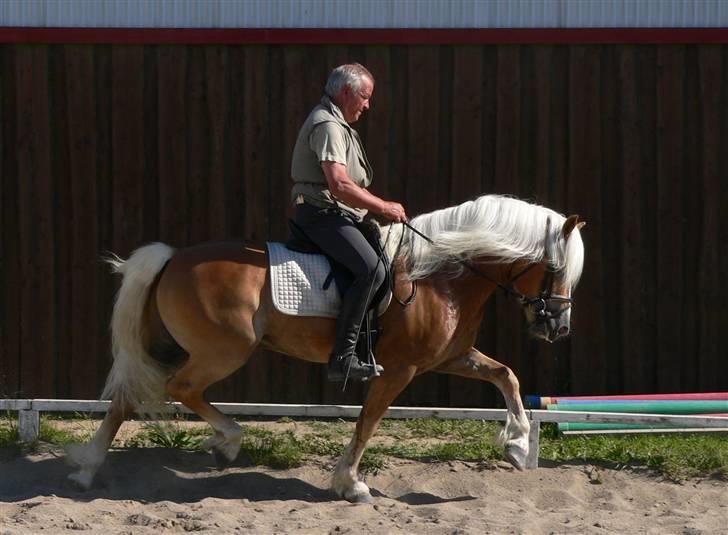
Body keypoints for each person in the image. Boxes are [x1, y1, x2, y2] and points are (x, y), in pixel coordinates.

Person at [290, 63, 407, 383]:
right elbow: (339, 184)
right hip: (321, 213)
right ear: (346, 92)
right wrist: (383, 206)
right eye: (365, 97)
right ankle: (343, 357)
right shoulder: (327, 124)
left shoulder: (339, 124)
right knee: (370, 269)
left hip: (340, 214)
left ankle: (367, 346)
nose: (367, 105)